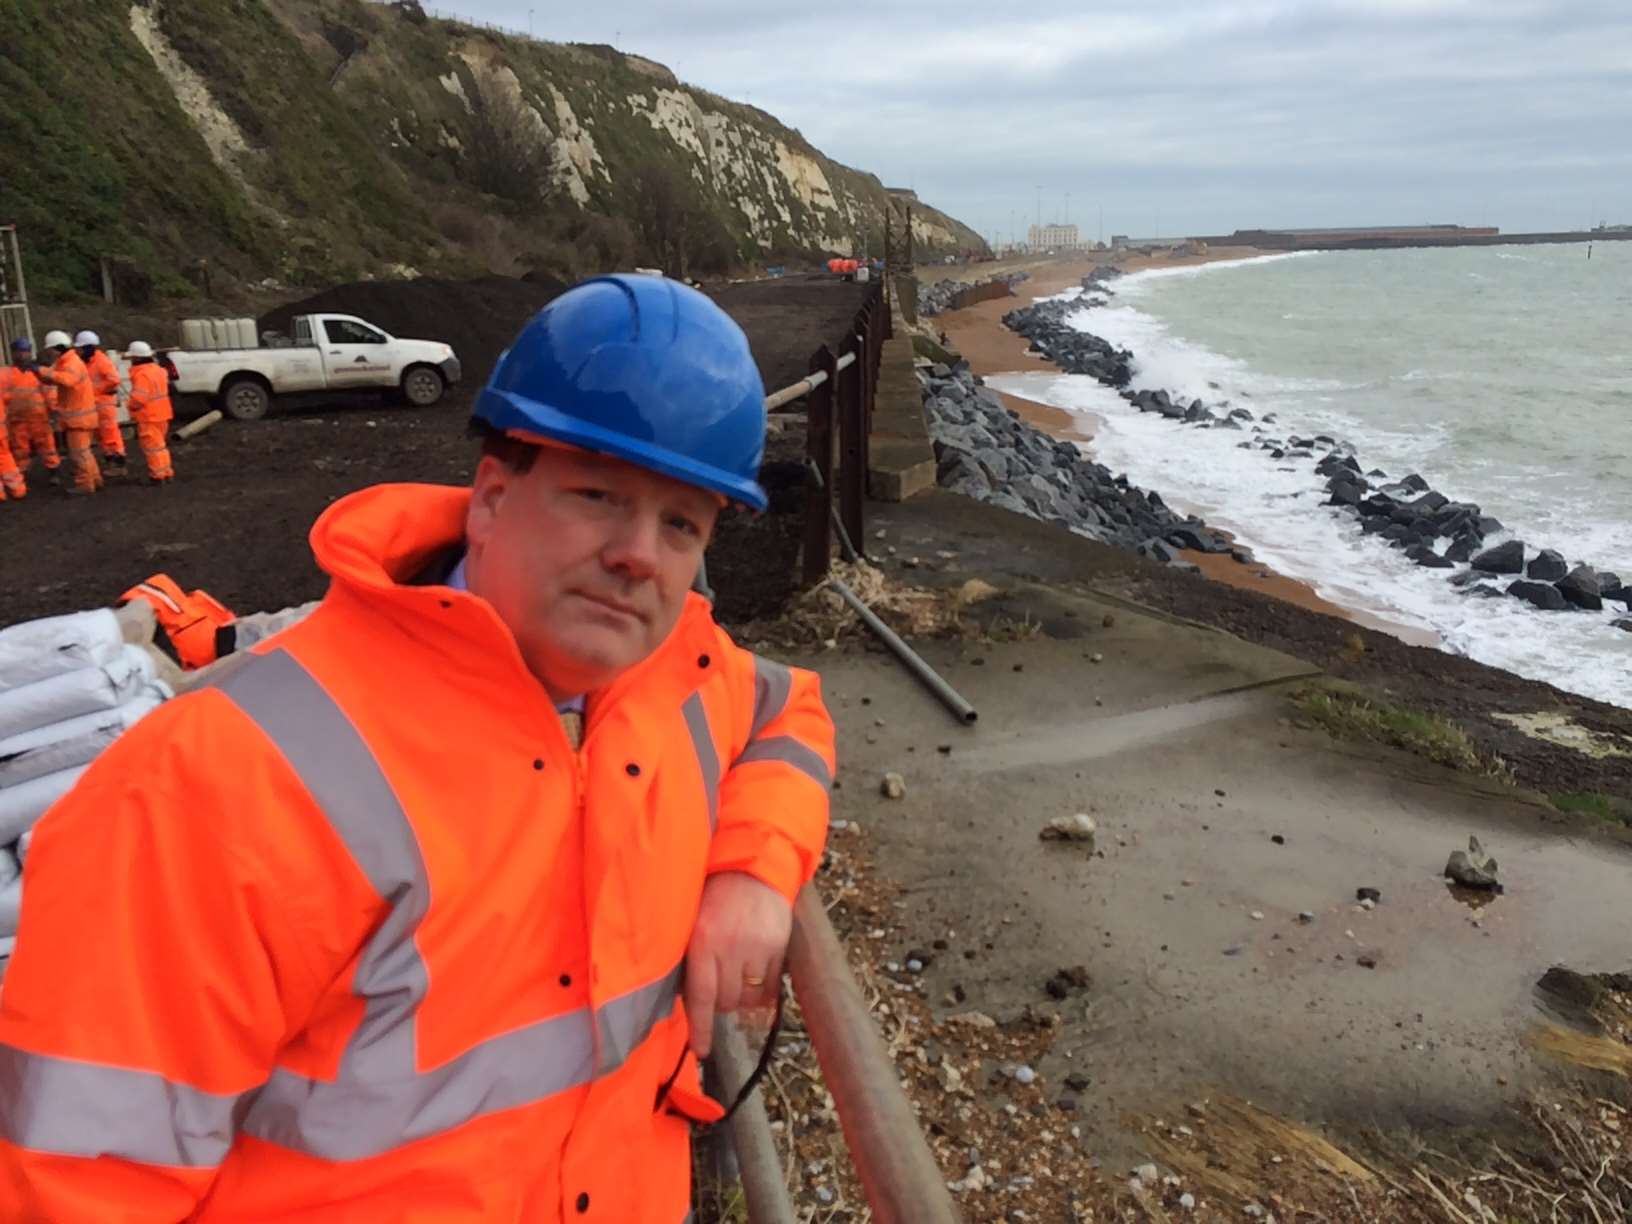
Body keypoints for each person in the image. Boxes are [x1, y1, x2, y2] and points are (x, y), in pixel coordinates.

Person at [0, 274, 836, 1220]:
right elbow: (75, 1180)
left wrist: (755, 874)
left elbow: (791, 715)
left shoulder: (682, 675)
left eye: (680, 523)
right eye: (598, 495)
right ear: (490, 495)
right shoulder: (220, 780)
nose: (639, 553)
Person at [31, 329, 101, 494]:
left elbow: (66, 380)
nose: (49, 353)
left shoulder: (71, 363)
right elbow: (52, 378)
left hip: (79, 418)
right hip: (79, 417)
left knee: (78, 454)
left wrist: (40, 370)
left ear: (57, 348)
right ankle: (95, 480)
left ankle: (85, 484)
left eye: (50, 350)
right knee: (85, 453)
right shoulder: (66, 361)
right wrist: (39, 373)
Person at [0, 338, 60, 481]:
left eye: (25, 352)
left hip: (39, 418)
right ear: (13, 353)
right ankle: (21, 475)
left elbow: (49, 391)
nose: (22, 355)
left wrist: (54, 409)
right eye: (19, 352)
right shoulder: (6, 373)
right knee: (20, 448)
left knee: (47, 446)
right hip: (17, 420)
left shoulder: (38, 371)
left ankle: (54, 472)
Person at [125, 340, 174, 482]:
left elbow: (139, 399)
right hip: (162, 414)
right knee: (160, 447)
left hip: (149, 416)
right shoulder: (158, 370)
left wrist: (130, 406)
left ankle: (157, 475)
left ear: (137, 358)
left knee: (152, 448)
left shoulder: (142, 374)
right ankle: (166, 471)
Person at [77, 328, 128, 467]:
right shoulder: (89, 362)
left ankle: (118, 462)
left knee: (110, 434)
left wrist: (94, 391)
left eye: (80, 349)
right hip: (96, 404)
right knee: (102, 435)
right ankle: (111, 460)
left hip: (104, 404)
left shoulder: (101, 361)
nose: (78, 352)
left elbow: (114, 380)